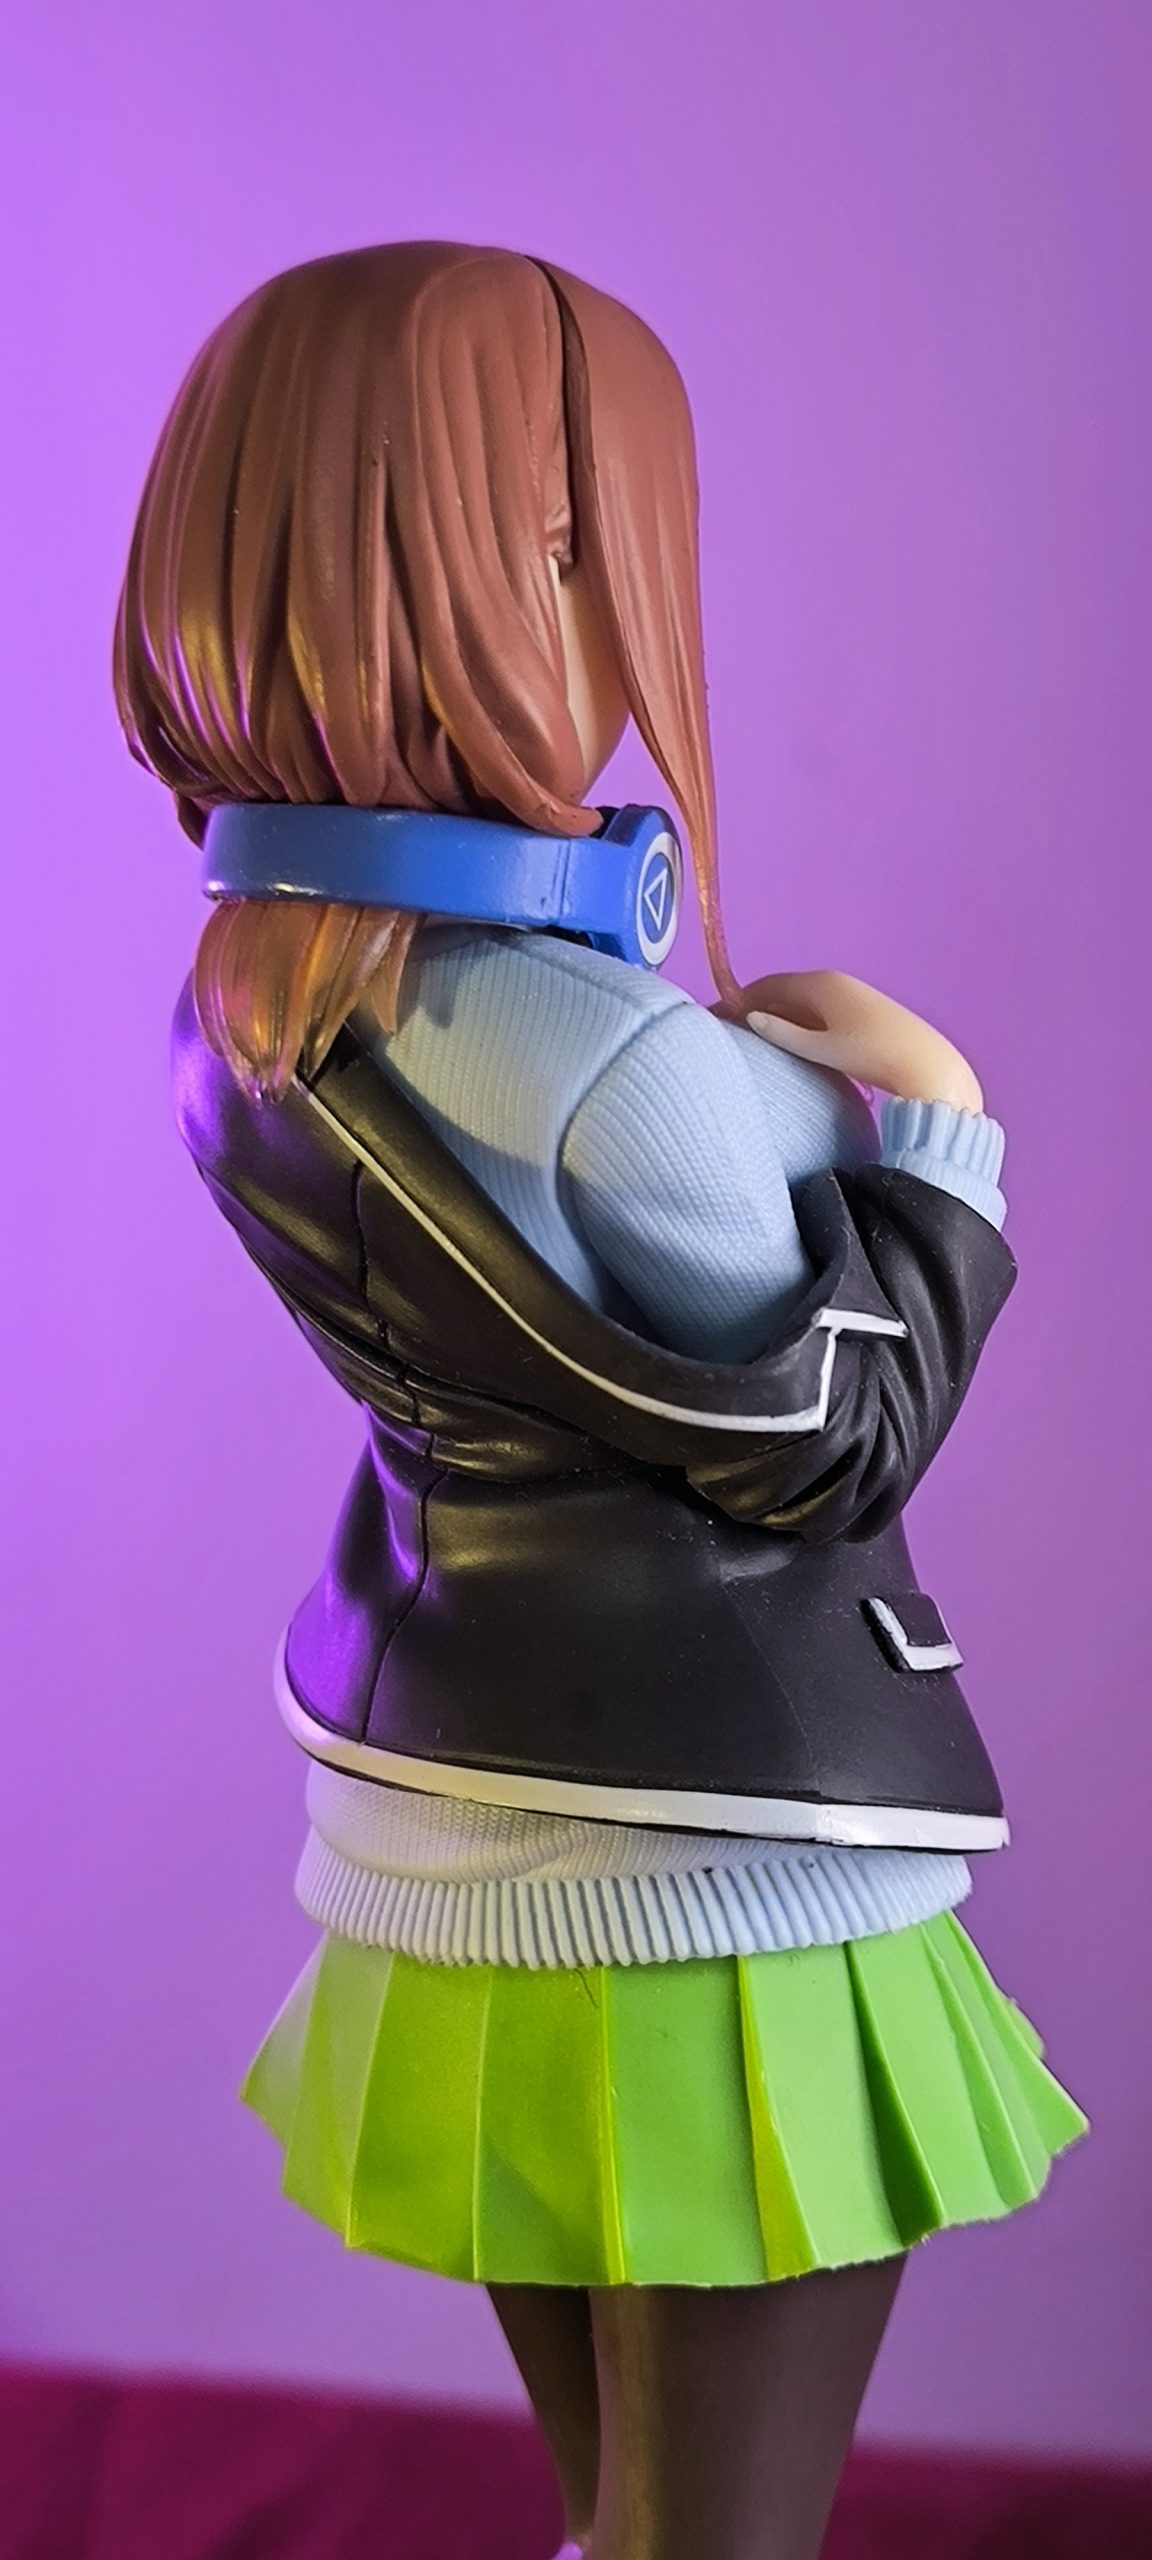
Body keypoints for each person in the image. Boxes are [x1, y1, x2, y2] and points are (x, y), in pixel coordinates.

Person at [115, 242, 1086, 2560]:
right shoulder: (616, 1069)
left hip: (453, 1813)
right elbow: (838, 1428)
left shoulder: (247, 1003)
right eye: (595, 553)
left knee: (627, 2518)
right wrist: (940, 1132)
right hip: (709, 1867)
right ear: (516, 564)